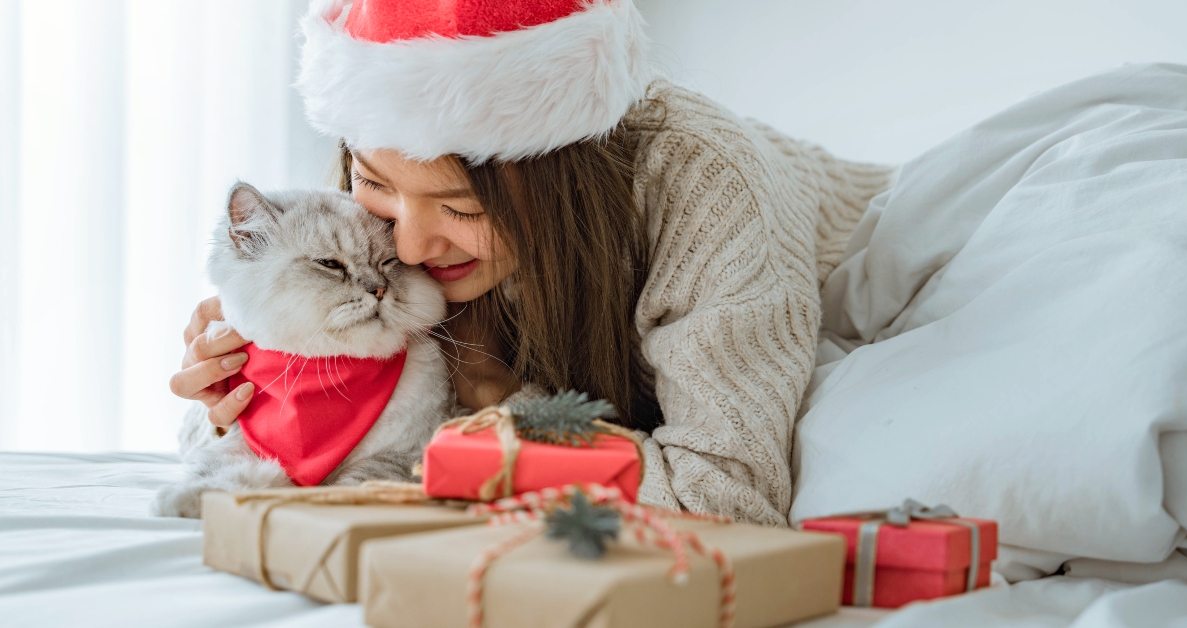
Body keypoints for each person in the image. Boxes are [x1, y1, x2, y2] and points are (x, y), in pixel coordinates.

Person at [168, 0, 892, 526]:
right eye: (374, 183)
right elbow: (349, 425)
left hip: (889, 253)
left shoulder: (707, 188)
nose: (409, 249)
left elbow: (726, 500)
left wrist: (499, 406)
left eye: (462, 208)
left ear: (557, 185)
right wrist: (247, 387)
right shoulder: (384, 198)